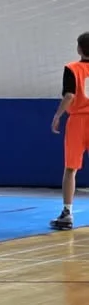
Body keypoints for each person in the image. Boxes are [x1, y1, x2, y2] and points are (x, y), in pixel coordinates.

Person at [49, 32, 89, 231]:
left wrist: (58, 115)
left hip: (78, 121)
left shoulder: (72, 68)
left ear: (79, 49)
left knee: (71, 168)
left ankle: (67, 213)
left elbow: (70, 95)